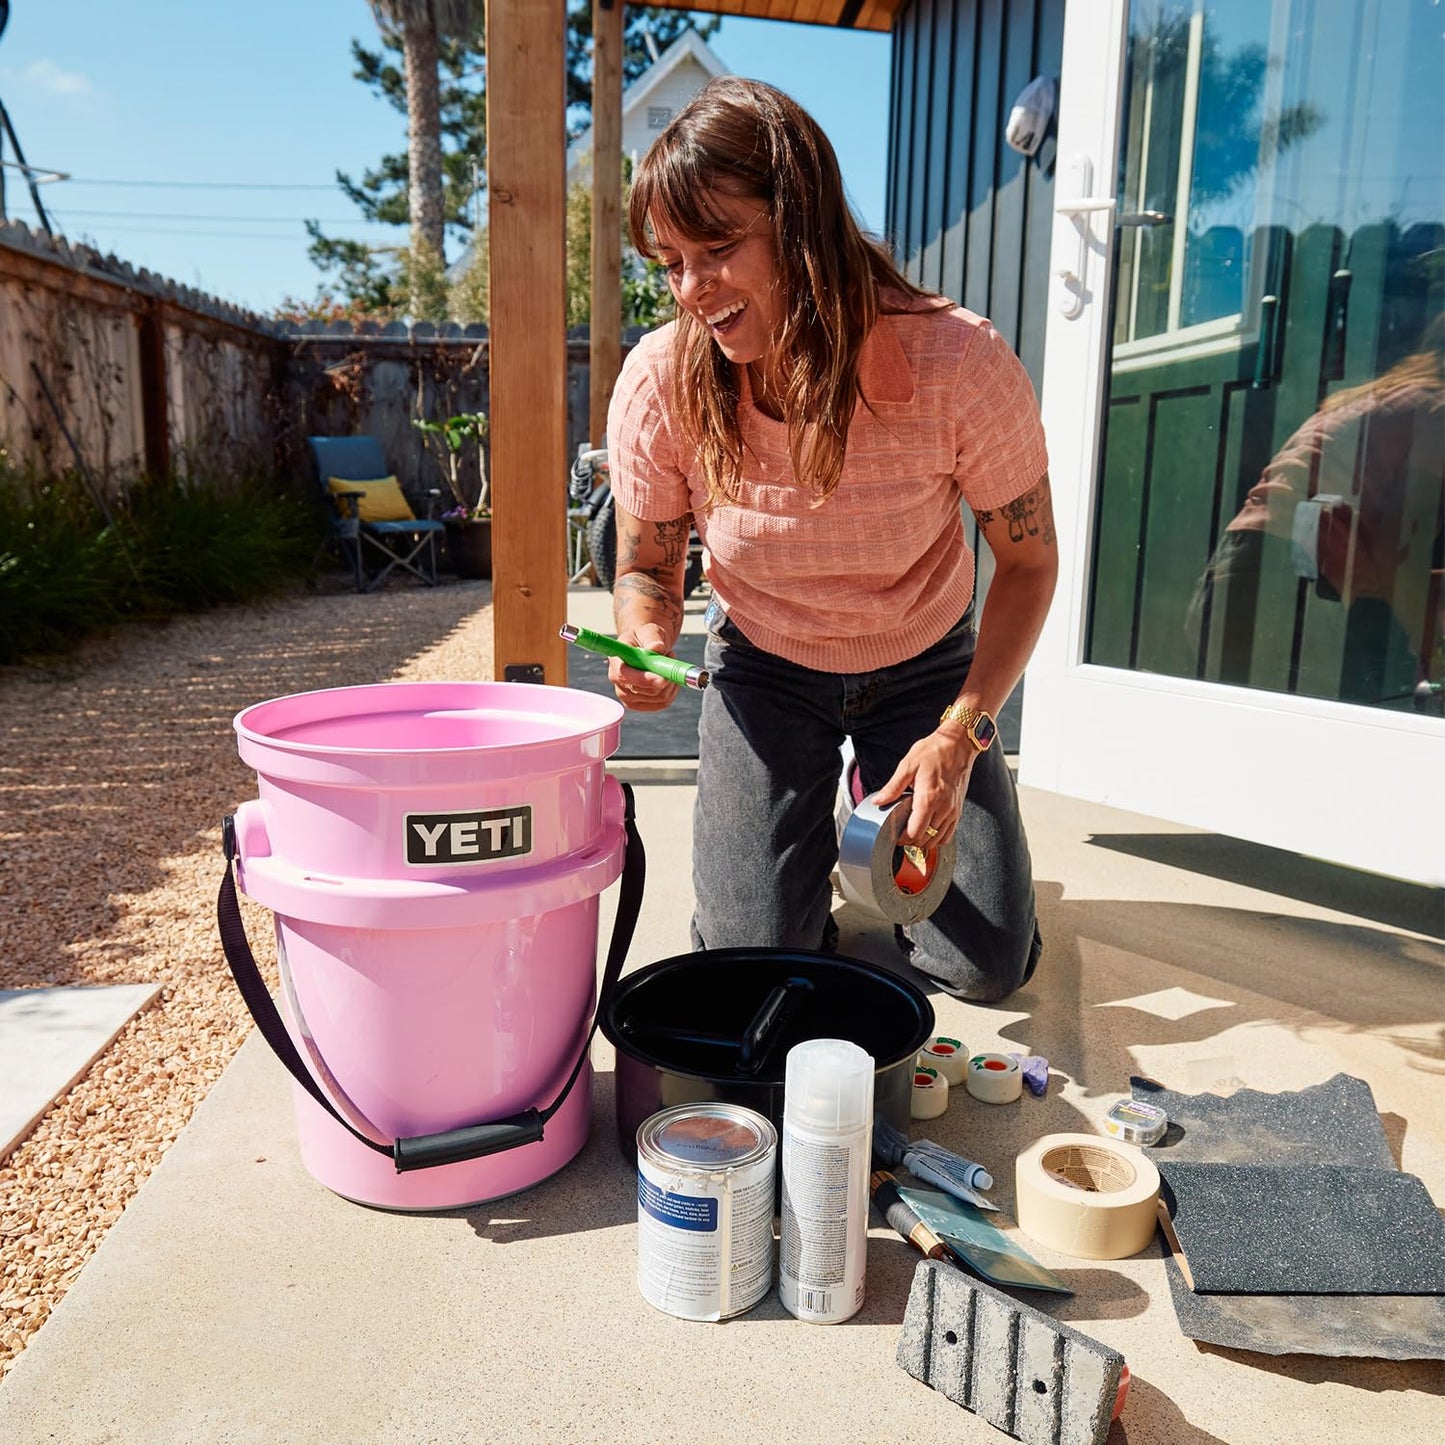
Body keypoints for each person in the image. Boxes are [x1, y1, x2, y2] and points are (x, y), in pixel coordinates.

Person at [603, 77, 1058, 1002]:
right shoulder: (660, 382)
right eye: (670, 262)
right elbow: (647, 566)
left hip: (925, 663)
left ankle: (889, 807)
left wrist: (962, 734)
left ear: (801, 219)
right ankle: (803, 849)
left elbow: (1028, 560)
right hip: (764, 669)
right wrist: (644, 635)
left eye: (718, 249)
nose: (691, 290)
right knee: (751, 961)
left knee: (984, 968)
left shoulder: (960, 362)